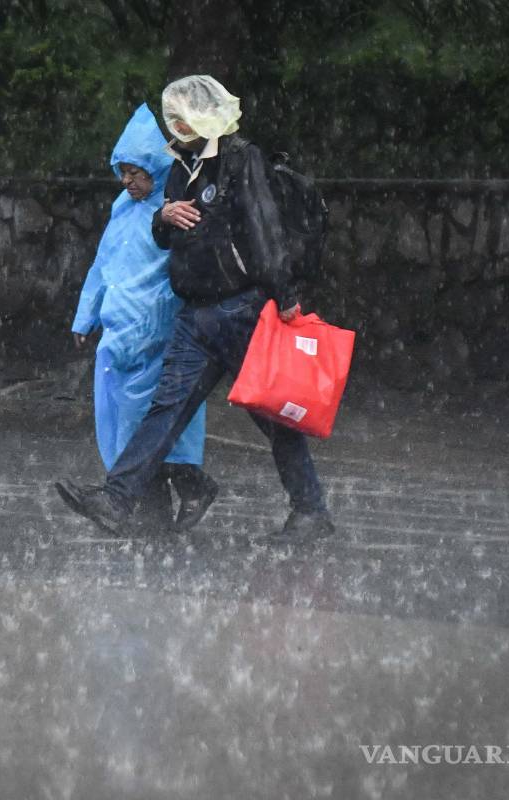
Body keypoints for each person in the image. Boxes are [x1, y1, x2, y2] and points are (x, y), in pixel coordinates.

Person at [55, 75, 335, 544]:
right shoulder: (179, 166)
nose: (175, 126)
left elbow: (264, 228)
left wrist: (284, 295)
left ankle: (310, 510)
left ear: (203, 117)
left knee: (273, 417)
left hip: (241, 311)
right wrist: (163, 217)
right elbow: (166, 236)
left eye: (181, 118)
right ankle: (117, 499)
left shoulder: (241, 159)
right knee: (166, 409)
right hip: (196, 316)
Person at [64, 103, 216, 530]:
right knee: (124, 421)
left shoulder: (174, 208)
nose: (127, 180)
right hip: (120, 334)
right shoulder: (122, 210)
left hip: (156, 333)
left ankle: (151, 506)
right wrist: (86, 316)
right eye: (123, 172)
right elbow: (104, 264)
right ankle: (154, 513)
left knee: (147, 426)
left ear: (154, 167)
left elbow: (189, 266)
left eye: (135, 171)